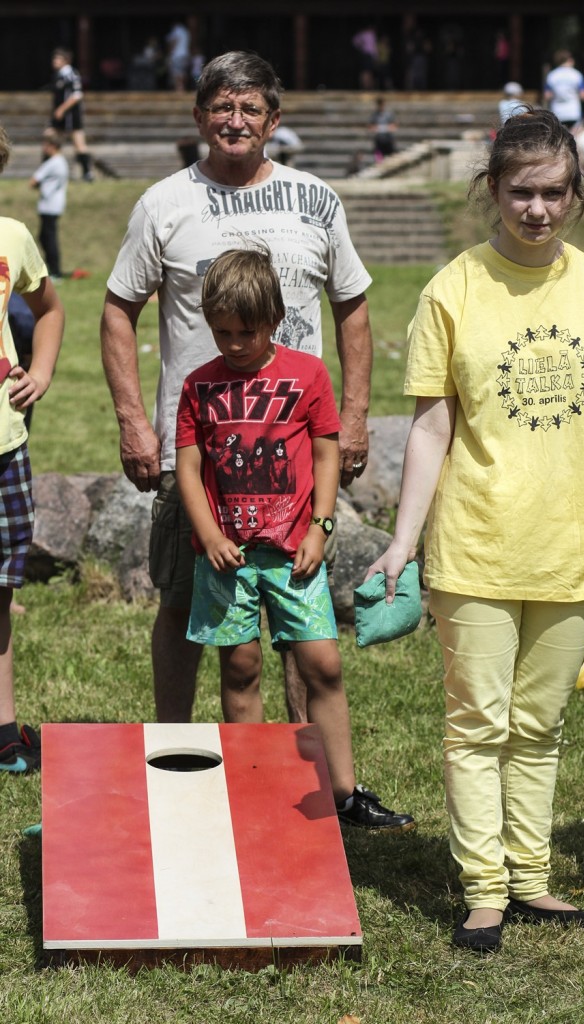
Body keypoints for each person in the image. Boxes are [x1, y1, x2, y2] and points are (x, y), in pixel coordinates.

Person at [364, 108, 584, 952]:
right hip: (477, 545)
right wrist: (403, 540)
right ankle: (485, 891)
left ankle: (531, 879)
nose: (538, 209)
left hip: (573, 544)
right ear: (492, 189)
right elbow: (430, 428)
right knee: (477, 725)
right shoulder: (452, 289)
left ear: (576, 192)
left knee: (540, 725)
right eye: (522, 192)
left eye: (554, 192)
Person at [100, 51, 374, 730]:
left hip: (293, 447)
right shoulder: (164, 204)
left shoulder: (316, 199)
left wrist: (355, 416)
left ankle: (306, 769)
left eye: (250, 107)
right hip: (199, 449)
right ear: (200, 118)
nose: (235, 120)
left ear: (273, 120)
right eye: (222, 106)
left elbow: (353, 308)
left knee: (298, 611)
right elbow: (117, 310)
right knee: (183, 600)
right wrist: (134, 421)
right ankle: (172, 749)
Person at [175, 246, 414, 831]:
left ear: (276, 318)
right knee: (241, 669)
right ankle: (253, 790)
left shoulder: (308, 375)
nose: (234, 345)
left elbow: (328, 454)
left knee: (322, 664)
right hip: (227, 559)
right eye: (222, 332)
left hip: (294, 554)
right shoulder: (198, 386)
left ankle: (344, 794)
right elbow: (187, 466)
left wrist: (320, 527)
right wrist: (208, 535)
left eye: (247, 332)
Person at [0, 124, 65, 773]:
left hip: (5, 445)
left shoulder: (12, 236)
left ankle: (3, 731)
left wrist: (40, 372)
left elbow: (48, 309)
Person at [30, 129, 69, 281]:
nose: (43, 148)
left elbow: (33, 181)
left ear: (52, 146)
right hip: (54, 205)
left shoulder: (52, 163)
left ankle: (55, 272)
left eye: (45, 145)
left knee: (48, 239)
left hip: (49, 206)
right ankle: (53, 270)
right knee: (45, 237)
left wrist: (39, 185)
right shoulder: (61, 161)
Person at [50, 47, 94, 182]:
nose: (54, 61)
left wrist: (62, 109)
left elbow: (77, 95)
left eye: (58, 59)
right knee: (50, 139)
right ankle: (49, 172)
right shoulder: (58, 75)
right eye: (54, 58)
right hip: (60, 116)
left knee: (79, 143)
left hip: (71, 116)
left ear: (66, 61)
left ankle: (87, 173)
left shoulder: (71, 74)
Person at [544, 50, 584, 129]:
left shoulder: (551, 75)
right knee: (573, 135)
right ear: (570, 60)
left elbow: (547, 96)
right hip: (573, 112)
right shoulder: (577, 75)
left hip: (557, 112)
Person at [368, 97, 397, 162]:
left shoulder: (389, 114)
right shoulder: (374, 115)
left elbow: (394, 126)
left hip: (388, 140)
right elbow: (370, 127)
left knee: (392, 160)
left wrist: (386, 128)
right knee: (378, 160)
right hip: (379, 141)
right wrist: (377, 128)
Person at [166, 21, 191, 92]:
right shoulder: (186, 31)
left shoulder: (176, 30)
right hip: (185, 54)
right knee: (183, 72)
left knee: (176, 72)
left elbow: (173, 42)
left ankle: (179, 88)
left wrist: (169, 53)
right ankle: (182, 87)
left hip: (177, 55)